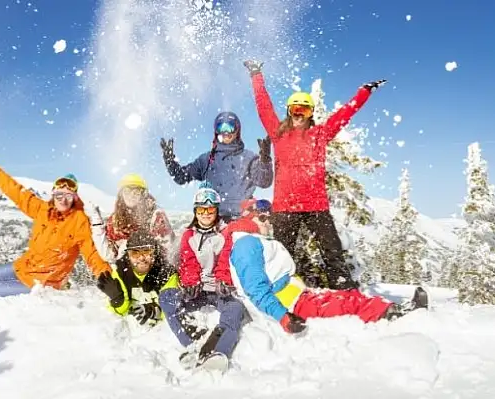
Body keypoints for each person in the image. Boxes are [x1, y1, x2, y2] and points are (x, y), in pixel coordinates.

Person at [243, 59, 387, 290]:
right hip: (285, 208)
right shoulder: (279, 134)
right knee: (283, 254)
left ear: (311, 113)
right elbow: (264, 107)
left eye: (305, 109)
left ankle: (343, 289)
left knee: (332, 252)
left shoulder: (320, 134)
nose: (299, 114)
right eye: (295, 109)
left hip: (316, 206)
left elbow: (344, 114)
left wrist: (364, 92)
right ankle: (282, 291)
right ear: (290, 112)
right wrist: (256, 75)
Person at [0, 156, 123, 307]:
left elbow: (92, 255)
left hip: (42, 282)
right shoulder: (42, 209)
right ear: (53, 195)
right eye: (59, 194)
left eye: (69, 196)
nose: (63, 199)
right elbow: (16, 191)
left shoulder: (80, 222)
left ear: (74, 199)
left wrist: (109, 281)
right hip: (23, 266)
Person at [221, 198, 428, 334]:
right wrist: (283, 317)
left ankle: (390, 309)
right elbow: (255, 289)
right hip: (291, 306)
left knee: (348, 297)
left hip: (299, 297)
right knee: (347, 305)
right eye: (263, 218)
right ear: (249, 218)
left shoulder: (254, 240)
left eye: (270, 217)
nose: (269, 222)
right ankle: (395, 317)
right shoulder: (246, 244)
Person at [158, 186, 246, 370]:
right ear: (195, 212)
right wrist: (191, 282)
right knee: (166, 297)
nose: (205, 214)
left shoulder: (225, 233)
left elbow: (225, 259)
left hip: (218, 289)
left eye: (210, 209)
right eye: (201, 210)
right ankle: (192, 343)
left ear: (216, 210)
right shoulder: (189, 235)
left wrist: (223, 281)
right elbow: (188, 261)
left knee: (236, 309)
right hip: (197, 289)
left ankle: (219, 350)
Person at [160, 111, 274, 222]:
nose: (226, 132)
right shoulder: (206, 160)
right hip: (213, 220)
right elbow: (182, 177)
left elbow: (264, 182)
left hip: (242, 220)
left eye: (230, 127)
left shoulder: (249, 158)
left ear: (237, 130)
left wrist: (265, 161)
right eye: (221, 127)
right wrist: (170, 161)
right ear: (216, 131)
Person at [90, 173, 176, 265]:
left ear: (143, 194)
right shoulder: (115, 219)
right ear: (121, 195)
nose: (131, 196)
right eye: (127, 192)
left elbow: (167, 252)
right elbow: (109, 255)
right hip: (126, 272)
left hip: (153, 269)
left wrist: (130, 246)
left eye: (136, 192)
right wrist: (97, 225)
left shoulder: (156, 216)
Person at [102, 229, 179, 328]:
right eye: (135, 253)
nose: (141, 258)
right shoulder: (121, 273)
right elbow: (116, 315)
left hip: (161, 330)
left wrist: (154, 311)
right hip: (132, 330)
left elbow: (173, 311)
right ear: (128, 255)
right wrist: (117, 301)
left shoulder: (166, 273)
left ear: (154, 252)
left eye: (146, 251)